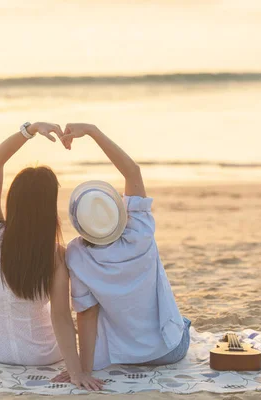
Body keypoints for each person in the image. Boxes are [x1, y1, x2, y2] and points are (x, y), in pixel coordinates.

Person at [52, 123, 191, 382]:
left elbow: (87, 315)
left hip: (121, 355)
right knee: (181, 321)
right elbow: (132, 171)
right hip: (170, 350)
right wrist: (93, 131)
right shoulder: (140, 229)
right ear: (118, 211)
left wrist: (84, 370)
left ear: (79, 222)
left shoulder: (76, 255)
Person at [0, 121, 103, 391]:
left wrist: (30, 130)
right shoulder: (55, 255)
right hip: (41, 355)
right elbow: (60, 316)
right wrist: (75, 370)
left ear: (13, 201)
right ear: (48, 210)